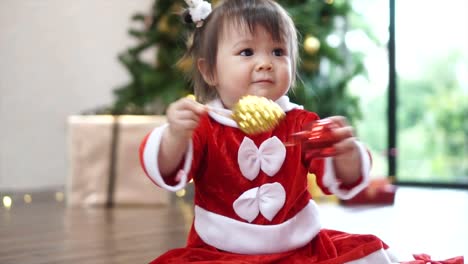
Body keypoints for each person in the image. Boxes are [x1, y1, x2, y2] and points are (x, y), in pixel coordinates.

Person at [140, 0, 395, 263]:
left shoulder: (300, 122)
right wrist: (175, 137)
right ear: (210, 71)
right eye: (247, 52)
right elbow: (169, 173)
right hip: (219, 251)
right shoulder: (204, 124)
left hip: (301, 249)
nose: (265, 63)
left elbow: (342, 181)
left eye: (278, 51)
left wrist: (346, 153)